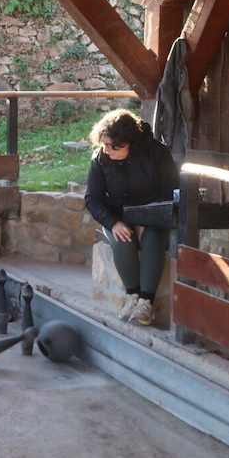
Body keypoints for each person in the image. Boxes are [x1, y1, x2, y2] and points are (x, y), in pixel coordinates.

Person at [85, 109, 179, 326]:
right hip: (117, 216)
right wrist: (112, 223)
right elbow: (93, 199)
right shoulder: (100, 158)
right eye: (104, 145)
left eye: (112, 146)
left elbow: (171, 191)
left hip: (154, 214)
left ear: (129, 143)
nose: (106, 150)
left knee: (153, 238)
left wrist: (147, 218)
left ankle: (146, 302)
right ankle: (132, 295)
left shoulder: (157, 153)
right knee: (122, 239)